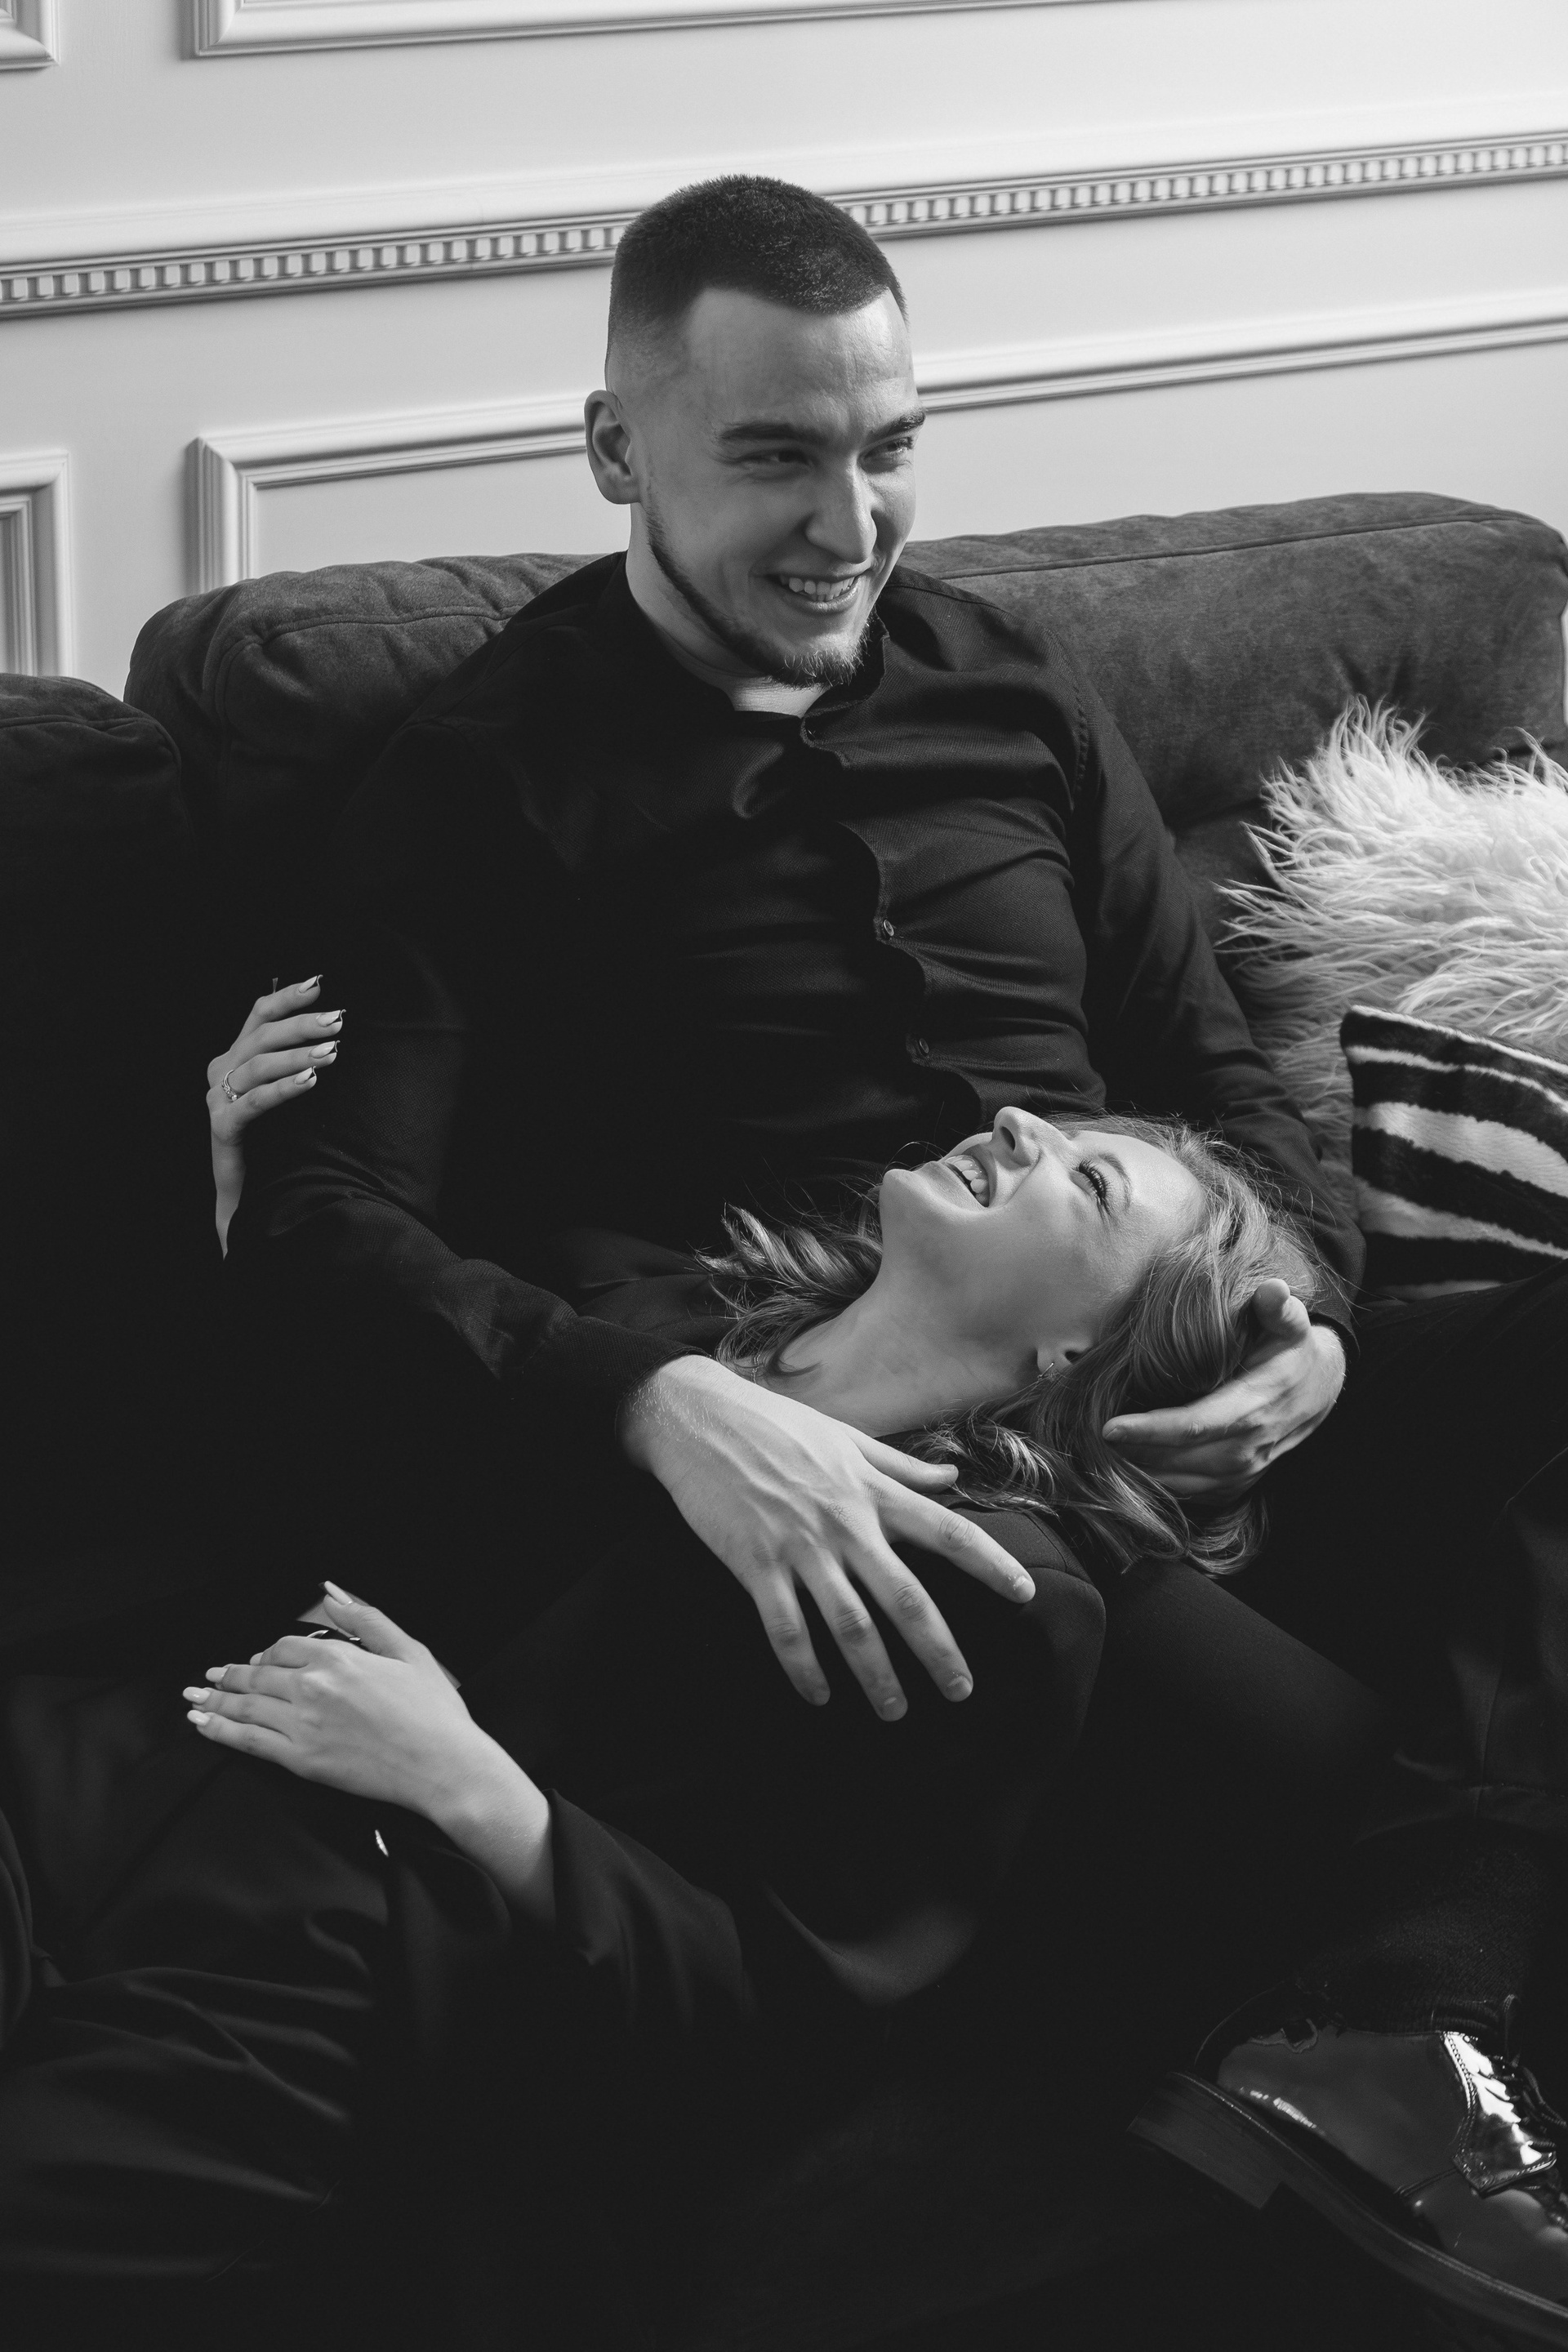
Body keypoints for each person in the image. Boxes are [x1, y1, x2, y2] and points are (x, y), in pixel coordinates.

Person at [212, 176, 1568, 2341]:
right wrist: (662, 1402)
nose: (850, 525)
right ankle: (1377, 2035)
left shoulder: (1011, 684)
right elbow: (324, 1220)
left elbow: (1232, 1090)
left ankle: (1409, 2014)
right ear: (616, 450)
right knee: (1284, 1759)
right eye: (776, 457)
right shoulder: (478, 783)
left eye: (890, 447)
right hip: (928, 1443)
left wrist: (1311, 1318)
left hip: (1180, 1353)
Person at [0, 1089, 1331, 2345]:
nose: (1021, 1120)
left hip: (353, 1972)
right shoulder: (641, 1302)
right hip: (146, 1747)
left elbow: (797, 1996)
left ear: (1084, 1352)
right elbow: (304, 1457)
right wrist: (243, 1209)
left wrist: (475, 1786)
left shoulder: (989, 1588)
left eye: (1091, 1184)